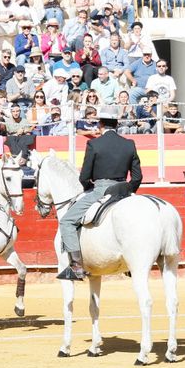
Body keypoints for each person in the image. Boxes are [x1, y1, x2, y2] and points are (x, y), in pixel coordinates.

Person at [58, 114, 142, 281]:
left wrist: (89, 188)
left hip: (101, 189)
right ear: (116, 125)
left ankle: (76, 267)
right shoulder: (129, 144)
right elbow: (137, 177)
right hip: (124, 189)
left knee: (66, 221)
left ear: (100, 125)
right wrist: (127, 190)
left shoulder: (94, 144)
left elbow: (84, 176)